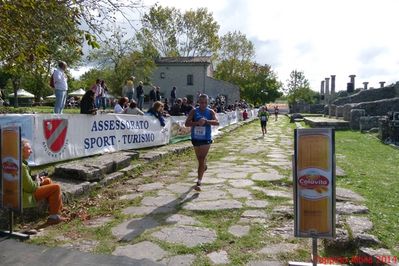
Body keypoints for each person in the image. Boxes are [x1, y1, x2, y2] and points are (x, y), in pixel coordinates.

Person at [21, 139, 66, 225]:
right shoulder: (22, 166)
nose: (31, 151)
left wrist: (37, 179)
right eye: (29, 149)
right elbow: (30, 188)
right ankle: (53, 217)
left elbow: (25, 182)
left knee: (47, 180)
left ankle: (57, 210)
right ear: (21, 151)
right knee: (56, 187)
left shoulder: (16, 162)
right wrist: (38, 181)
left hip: (22, 192)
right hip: (25, 196)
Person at [185, 94, 219, 191]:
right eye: (201, 102)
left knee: (201, 159)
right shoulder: (194, 111)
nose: (203, 104)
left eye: (205, 103)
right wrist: (197, 123)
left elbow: (217, 122)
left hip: (206, 139)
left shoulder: (210, 111)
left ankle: (199, 182)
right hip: (195, 138)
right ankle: (203, 166)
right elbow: (186, 123)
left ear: (207, 103)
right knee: (200, 160)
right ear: (198, 102)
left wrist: (206, 121)